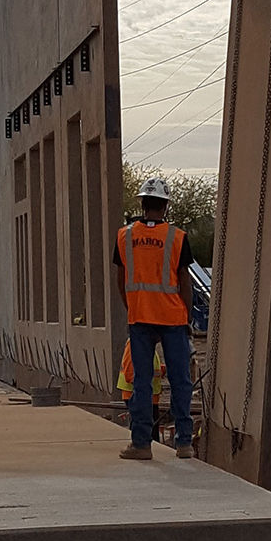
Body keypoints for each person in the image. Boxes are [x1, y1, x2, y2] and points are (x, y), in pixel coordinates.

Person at [113, 175, 196, 461]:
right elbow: (185, 281)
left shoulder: (124, 236)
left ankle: (141, 444)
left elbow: (120, 278)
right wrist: (186, 316)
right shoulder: (177, 237)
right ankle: (184, 443)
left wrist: (133, 306)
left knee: (142, 383)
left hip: (140, 318)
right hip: (173, 317)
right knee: (181, 381)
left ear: (143, 203)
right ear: (165, 206)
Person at [116, 335, 168, 435]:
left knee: (150, 430)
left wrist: (162, 370)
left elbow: (148, 366)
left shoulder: (147, 343)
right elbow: (130, 372)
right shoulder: (135, 342)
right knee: (145, 431)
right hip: (137, 394)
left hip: (149, 396)